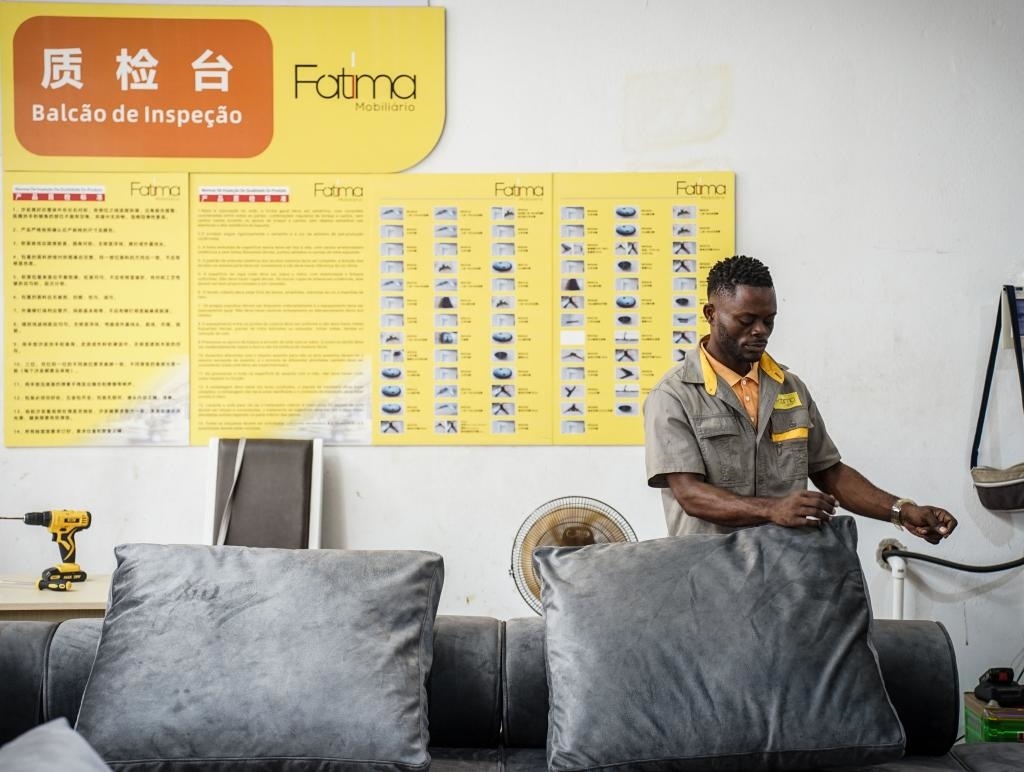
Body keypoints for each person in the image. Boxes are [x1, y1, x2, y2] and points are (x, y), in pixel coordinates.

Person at [644, 255, 957, 544]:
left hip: (787, 566)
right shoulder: (673, 396)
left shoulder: (789, 387)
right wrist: (773, 509)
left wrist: (901, 510)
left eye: (769, 320)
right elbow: (690, 494)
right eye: (746, 320)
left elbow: (830, 472)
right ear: (711, 314)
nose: (760, 331)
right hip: (710, 570)